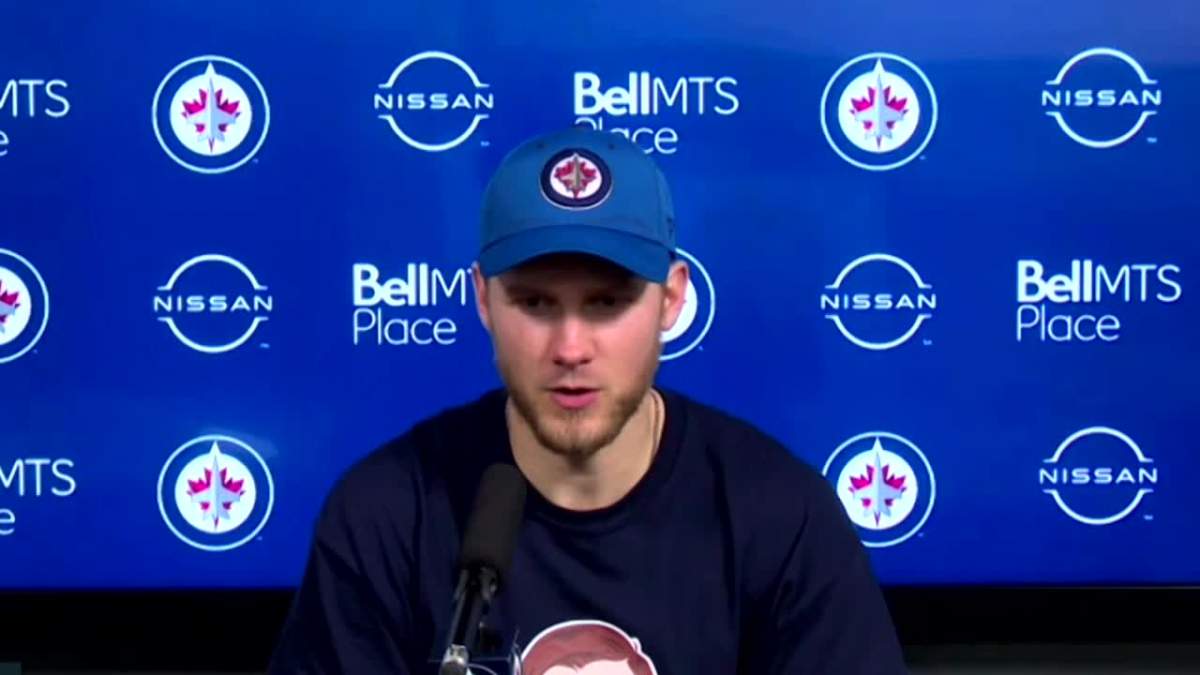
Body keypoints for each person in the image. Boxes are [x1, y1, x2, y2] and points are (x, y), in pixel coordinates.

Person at [267, 126, 908, 674]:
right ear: (484, 300)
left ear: (672, 298)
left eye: (606, 303)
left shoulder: (781, 517)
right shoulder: (386, 515)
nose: (570, 347)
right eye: (536, 303)